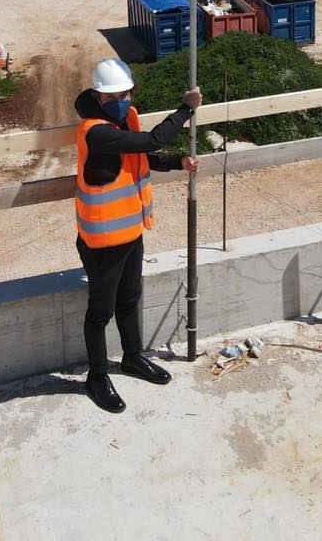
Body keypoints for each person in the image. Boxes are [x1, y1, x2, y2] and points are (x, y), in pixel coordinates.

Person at [74, 57, 201, 413]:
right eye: (114, 95)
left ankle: (132, 357)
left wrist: (179, 162)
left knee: (130, 299)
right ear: (98, 97)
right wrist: (185, 110)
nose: (122, 99)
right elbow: (150, 140)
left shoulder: (122, 120)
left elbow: (143, 157)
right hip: (101, 241)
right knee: (100, 311)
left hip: (130, 232)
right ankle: (97, 376)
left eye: (126, 93)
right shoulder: (96, 130)